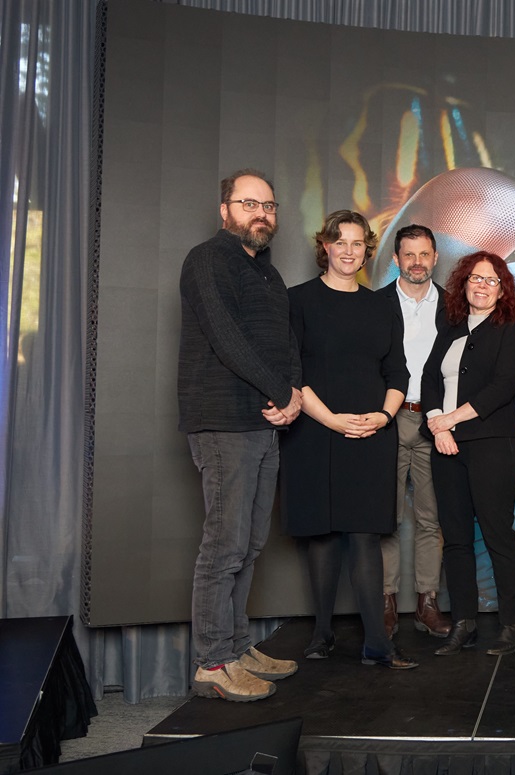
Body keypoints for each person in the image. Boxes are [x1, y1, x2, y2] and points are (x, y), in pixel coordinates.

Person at [179, 169, 302, 702]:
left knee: (250, 545)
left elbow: (285, 341)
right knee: (223, 548)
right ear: (224, 209)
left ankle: (234, 645)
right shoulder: (208, 259)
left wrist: (292, 392)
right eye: (250, 203)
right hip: (224, 421)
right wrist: (281, 392)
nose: (261, 214)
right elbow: (226, 337)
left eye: (269, 206)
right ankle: (211, 664)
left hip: (263, 421)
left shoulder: (267, 274)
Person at [279, 210, 418, 670]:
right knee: (321, 535)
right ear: (325, 246)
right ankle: (320, 634)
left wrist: (382, 416)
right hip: (316, 431)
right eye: (340, 241)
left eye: (357, 243)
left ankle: (377, 643)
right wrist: (333, 421)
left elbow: (397, 371)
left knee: (364, 536)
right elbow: (291, 372)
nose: (348, 250)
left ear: (367, 251)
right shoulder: (297, 300)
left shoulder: (382, 304)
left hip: (372, 433)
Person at [421, 251, 515, 656]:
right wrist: (436, 421)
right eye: (475, 279)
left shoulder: (510, 331)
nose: (482, 286)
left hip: (491, 447)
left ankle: (512, 624)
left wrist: (452, 421)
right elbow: (430, 378)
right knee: (457, 540)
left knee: (498, 535)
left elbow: (503, 387)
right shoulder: (450, 328)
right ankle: (463, 624)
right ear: (463, 284)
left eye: (491, 280)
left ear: (502, 290)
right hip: (445, 446)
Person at [377, 224, 451, 640]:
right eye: (409, 255)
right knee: (387, 515)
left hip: (436, 420)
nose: (417, 262)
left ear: (435, 258)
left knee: (430, 517)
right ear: (396, 259)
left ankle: (427, 602)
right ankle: (386, 602)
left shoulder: (454, 307)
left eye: (425, 254)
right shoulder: (376, 304)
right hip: (391, 417)